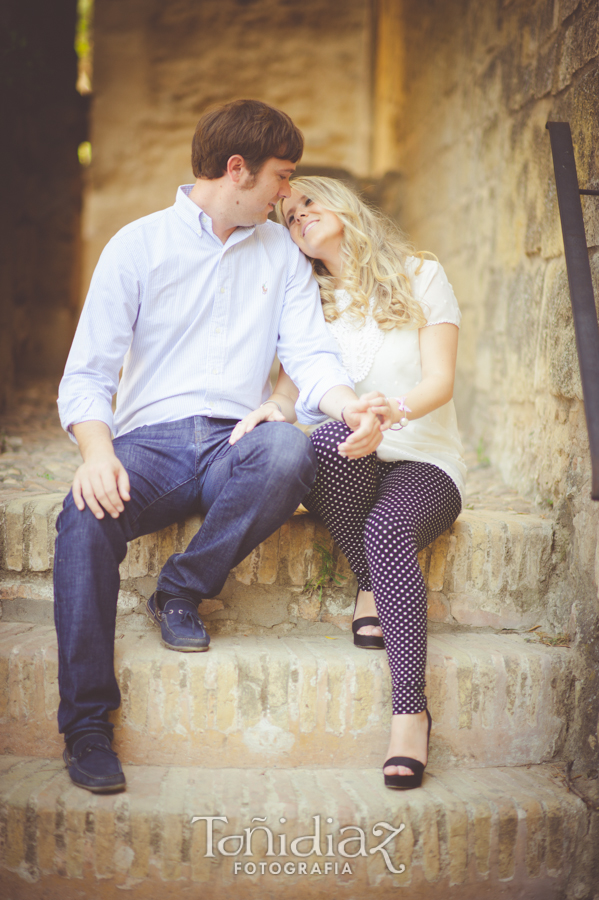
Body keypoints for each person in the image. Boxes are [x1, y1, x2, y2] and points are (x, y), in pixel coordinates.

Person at [55, 102, 383, 794]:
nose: (287, 194)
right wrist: (95, 452)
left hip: (236, 441)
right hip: (147, 445)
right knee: (81, 522)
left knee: (290, 451)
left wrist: (348, 403)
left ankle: (180, 591)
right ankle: (86, 727)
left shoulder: (280, 255)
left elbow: (311, 354)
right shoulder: (136, 246)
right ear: (237, 171)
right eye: (281, 177)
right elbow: (85, 376)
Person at [230, 175, 466, 790]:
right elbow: (291, 391)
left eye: (308, 201)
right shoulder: (305, 301)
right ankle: (372, 578)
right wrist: (270, 413)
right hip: (350, 461)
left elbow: (440, 380)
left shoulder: (420, 273)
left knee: (390, 527)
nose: (298, 215)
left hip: (423, 459)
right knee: (327, 439)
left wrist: (393, 412)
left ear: (343, 204)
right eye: (287, 215)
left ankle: (410, 714)